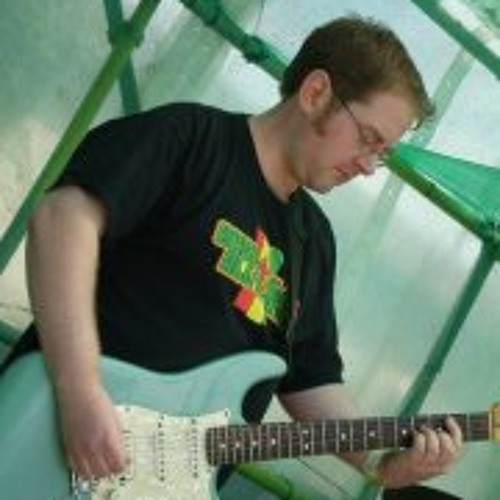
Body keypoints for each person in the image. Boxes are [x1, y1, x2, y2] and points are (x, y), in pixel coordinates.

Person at [3, 15, 462, 491]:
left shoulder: (314, 241)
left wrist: (377, 461)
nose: (368, 166)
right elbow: (62, 219)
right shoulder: (190, 139)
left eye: (382, 153)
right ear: (315, 93)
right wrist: (79, 390)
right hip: (56, 446)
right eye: (368, 138)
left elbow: (311, 378)